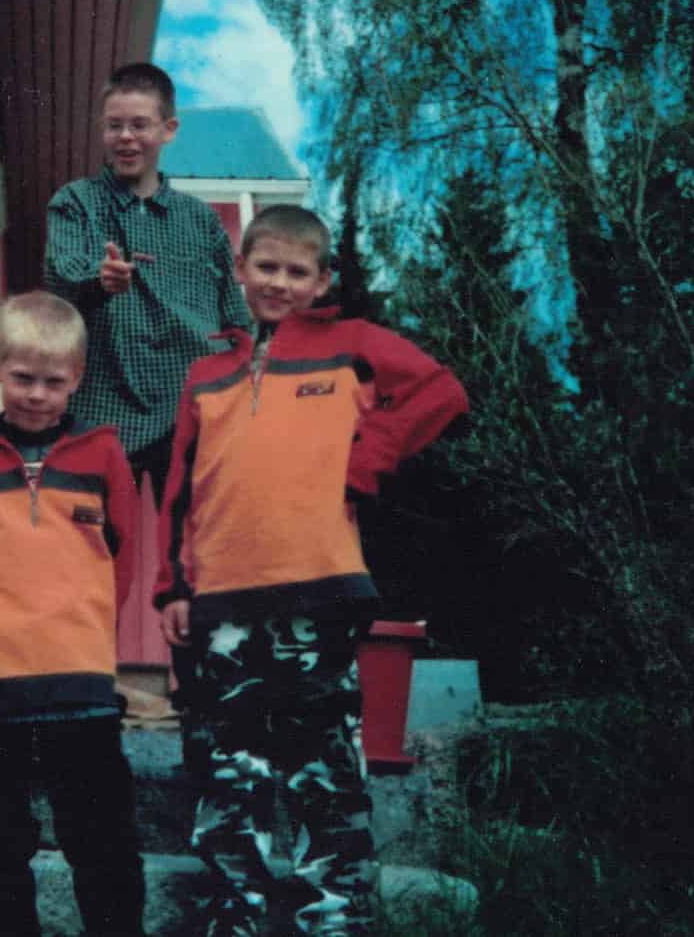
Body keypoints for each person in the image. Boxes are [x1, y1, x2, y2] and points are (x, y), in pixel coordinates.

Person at [153, 205, 469, 936]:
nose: (280, 282)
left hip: (318, 600)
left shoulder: (350, 345)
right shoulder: (206, 373)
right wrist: (172, 586)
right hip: (223, 607)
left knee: (324, 770)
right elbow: (180, 486)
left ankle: (336, 918)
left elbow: (440, 391)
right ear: (239, 271)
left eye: (298, 271)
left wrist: (365, 460)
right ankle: (240, 913)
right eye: (266, 266)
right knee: (230, 773)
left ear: (323, 279)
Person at [0, 291, 146, 937]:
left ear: (77, 377)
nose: (38, 394)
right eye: (23, 377)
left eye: (54, 381)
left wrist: (85, 637)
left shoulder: (103, 455)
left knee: (102, 837)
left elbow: (118, 563)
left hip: (80, 684)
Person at [42, 62, 249, 507]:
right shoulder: (75, 203)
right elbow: (61, 278)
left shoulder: (201, 220)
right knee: (91, 554)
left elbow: (237, 319)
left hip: (192, 411)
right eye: (114, 125)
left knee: (195, 556)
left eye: (140, 125)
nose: (126, 137)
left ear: (168, 129)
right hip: (104, 411)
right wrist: (100, 280)